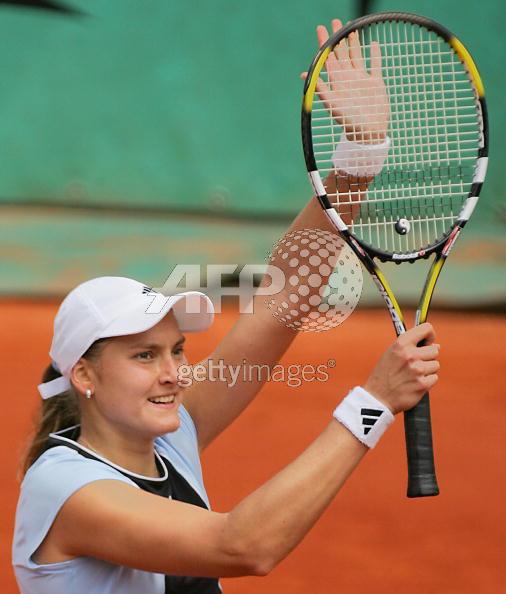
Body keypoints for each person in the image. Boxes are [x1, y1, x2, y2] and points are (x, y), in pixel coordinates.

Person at [12, 19, 441, 594]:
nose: (173, 374)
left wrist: (360, 156)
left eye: (176, 350)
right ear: (83, 375)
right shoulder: (66, 490)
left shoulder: (167, 438)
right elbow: (243, 545)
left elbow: (283, 297)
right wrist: (372, 404)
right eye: (144, 355)